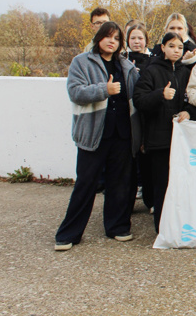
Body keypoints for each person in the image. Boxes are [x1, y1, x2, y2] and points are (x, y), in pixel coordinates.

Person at [55, 21, 140, 251]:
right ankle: (68, 234)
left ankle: (117, 227)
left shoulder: (126, 66)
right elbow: (75, 92)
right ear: (99, 38)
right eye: (108, 36)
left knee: (119, 183)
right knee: (86, 183)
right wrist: (104, 89)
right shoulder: (82, 62)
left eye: (116, 38)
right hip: (94, 133)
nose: (112, 41)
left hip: (122, 133)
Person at [133, 32, 196, 233]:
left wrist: (188, 112)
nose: (176, 50)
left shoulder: (185, 72)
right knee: (162, 186)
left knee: (180, 186)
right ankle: (162, 229)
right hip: (159, 140)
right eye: (171, 46)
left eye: (179, 47)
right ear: (162, 48)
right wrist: (159, 94)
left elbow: (193, 101)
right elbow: (139, 100)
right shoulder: (151, 70)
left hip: (181, 140)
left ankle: (179, 226)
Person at [124, 22, 153, 208]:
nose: (137, 42)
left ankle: (150, 201)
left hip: (148, 115)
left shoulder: (153, 60)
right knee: (128, 162)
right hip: (128, 116)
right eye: (133, 38)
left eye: (140, 38)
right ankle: (128, 202)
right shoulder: (122, 59)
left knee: (147, 160)